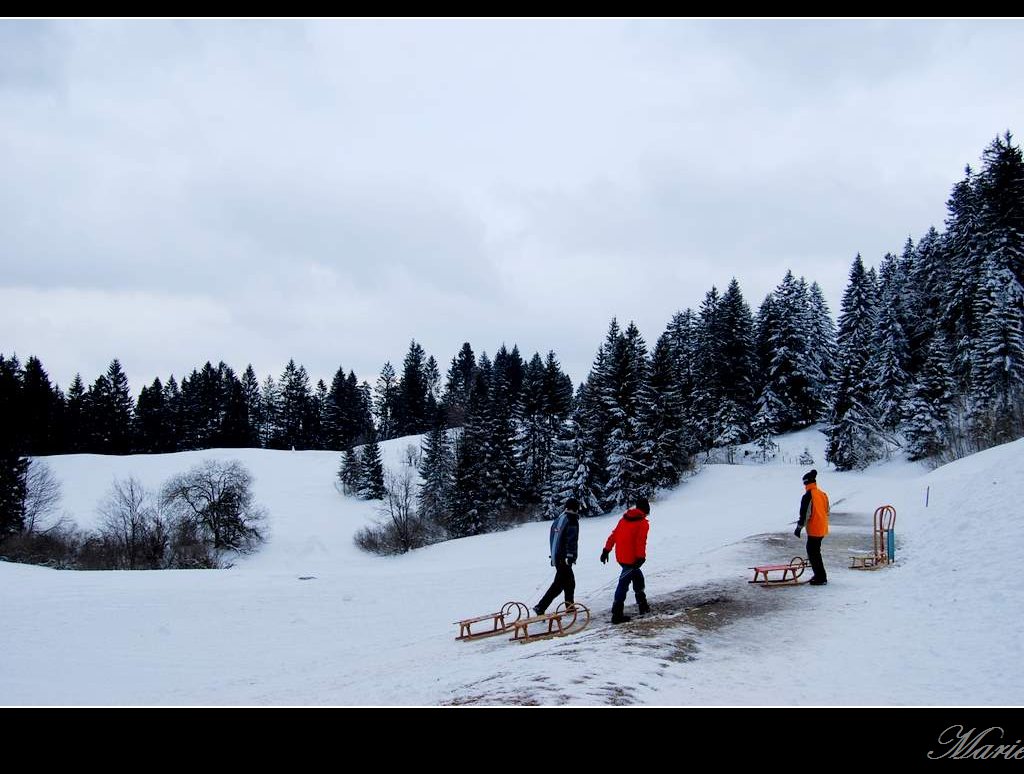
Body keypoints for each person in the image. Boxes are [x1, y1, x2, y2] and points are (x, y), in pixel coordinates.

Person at [600, 496, 651, 624]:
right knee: (623, 583)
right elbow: (641, 542)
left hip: (621, 557)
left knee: (638, 577)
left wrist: (606, 550)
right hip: (632, 559)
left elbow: (614, 535)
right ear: (646, 508)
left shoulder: (624, 519)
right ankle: (616, 615)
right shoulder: (642, 523)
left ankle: (643, 605)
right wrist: (641, 557)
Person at [533, 497, 580, 616]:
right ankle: (541, 606)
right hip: (564, 558)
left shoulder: (559, 519)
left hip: (557, 557)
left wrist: (555, 556)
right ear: (575, 508)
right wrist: (570, 556)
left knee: (568, 582)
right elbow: (571, 540)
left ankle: (569, 606)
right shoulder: (571, 520)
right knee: (559, 585)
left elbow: (553, 539)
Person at [794, 469, 829, 585]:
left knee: (813, 552)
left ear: (806, 483)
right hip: (822, 527)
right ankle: (820, 575)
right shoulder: (822, 494)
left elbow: (805, 514)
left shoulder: (808, 496)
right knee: (815, 551)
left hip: (814, 529)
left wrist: (799, 527)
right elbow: (827, 510)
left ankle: (820, 577)